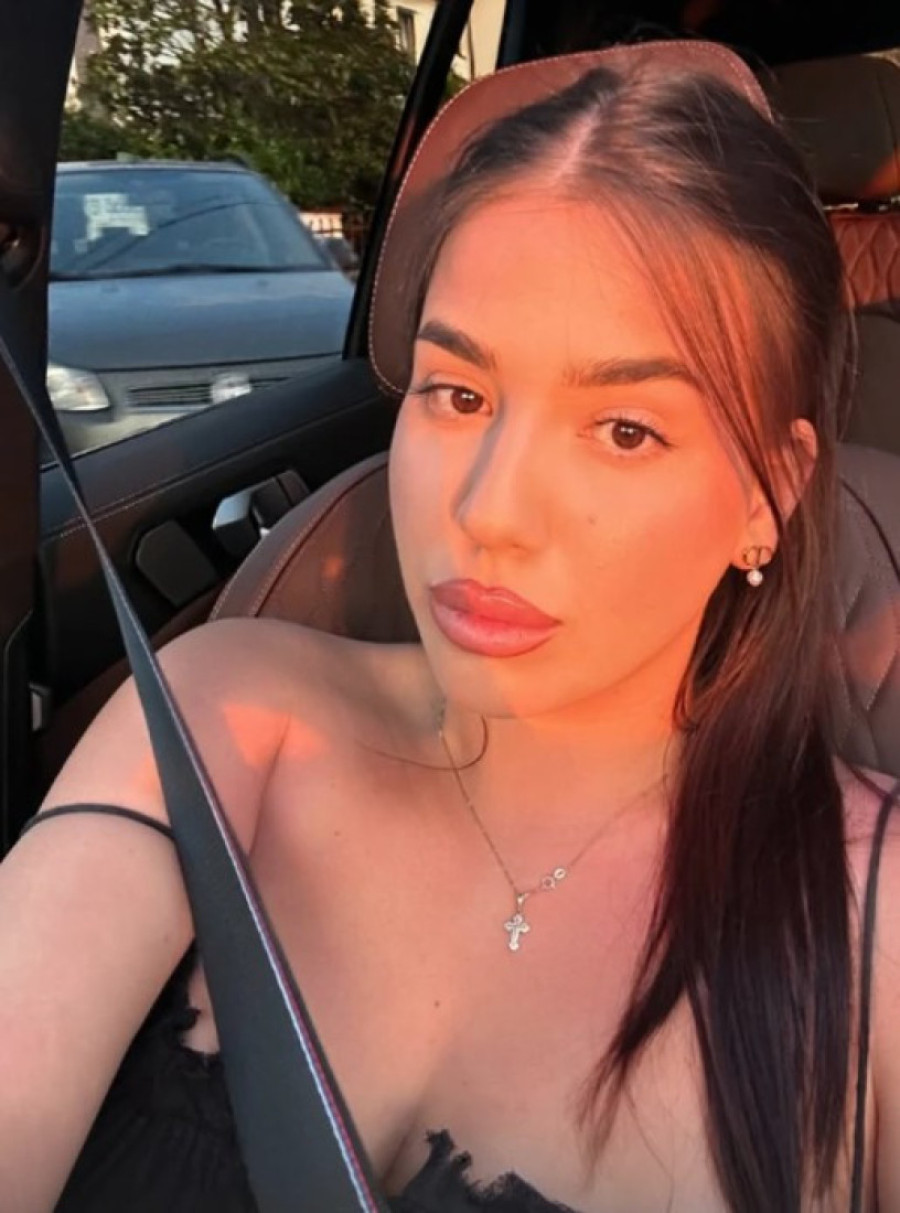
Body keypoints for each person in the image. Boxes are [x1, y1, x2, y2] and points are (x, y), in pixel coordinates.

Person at [1, 39, 898, 1213]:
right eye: (460, 394)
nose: (486, 513)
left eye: (626, 430)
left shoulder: (876, 919)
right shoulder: (227, 713)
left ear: (768, 494)